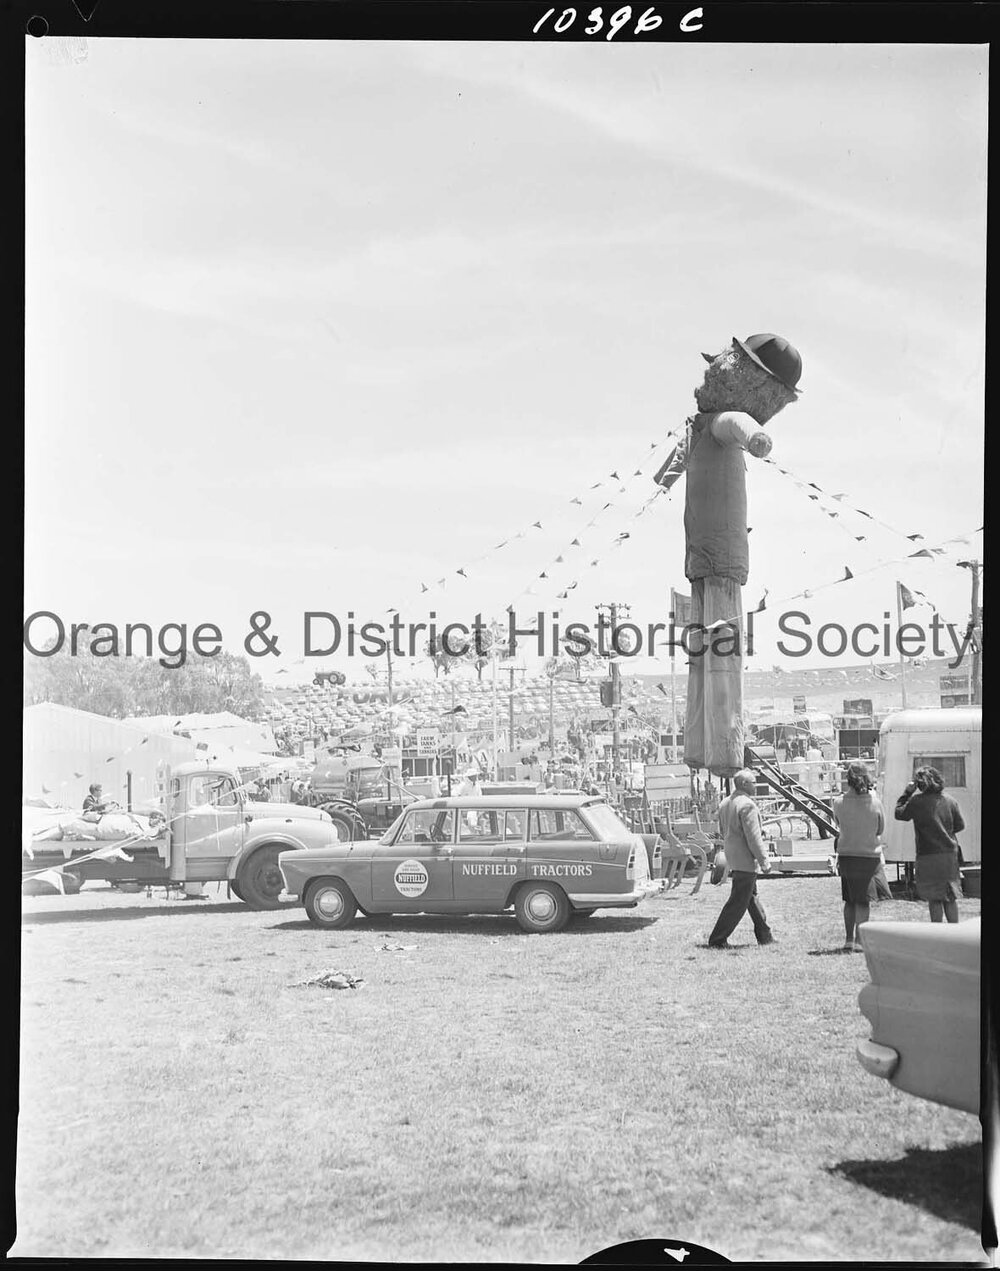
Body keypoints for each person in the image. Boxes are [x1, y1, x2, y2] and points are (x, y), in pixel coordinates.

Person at [707, 769, 775, 948]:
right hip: (746, 859)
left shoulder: (725, 803)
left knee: (750, 897)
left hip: (732, 856)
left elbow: (724, 831)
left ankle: (765, 935)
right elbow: (753, 838)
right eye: (753, 782)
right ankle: (717, 938)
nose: (756, 785)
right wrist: (764, 861)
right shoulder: (747, 805)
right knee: (738, 902)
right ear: (744, 784)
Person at [894, 766, 965, 923]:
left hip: (927, 854)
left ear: (919, 784)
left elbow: (899, 813)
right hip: (948, 854)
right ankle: (955, 934)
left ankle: (937, 934)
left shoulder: (916, 801)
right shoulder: (950, 801)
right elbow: (960, 826)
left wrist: (907, 793)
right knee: (950, 896)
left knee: (935, 898)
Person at [832, 762, 885, 951]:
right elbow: (880, 828)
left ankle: (848, 939)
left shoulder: (838, 802)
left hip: (846, 854)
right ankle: (860, 941)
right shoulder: (875, 802)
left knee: (850, 900)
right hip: (868, 856)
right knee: (863, 901)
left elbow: (837, 823)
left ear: (848, 779)